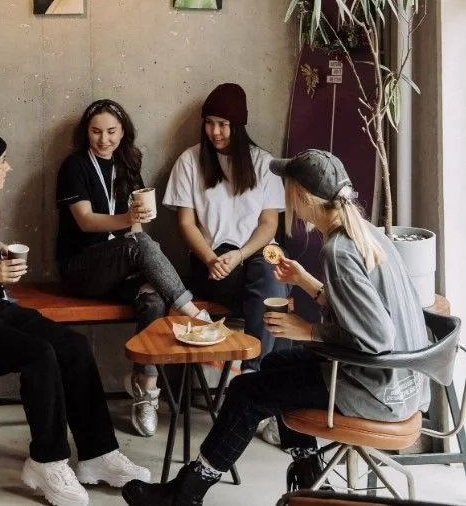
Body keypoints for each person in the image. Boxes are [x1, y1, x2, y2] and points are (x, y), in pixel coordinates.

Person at [122, 148, 431, 506]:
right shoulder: (367, 233)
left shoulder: (339, 251)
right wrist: (305, 282)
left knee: (245, 392)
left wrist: (308, 331)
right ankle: (308, 471)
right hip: (403, 384)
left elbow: (376, 338)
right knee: (273, 364)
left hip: (373, 390)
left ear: (300, 196)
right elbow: (368, 310)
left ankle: (186, 492)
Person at [0, 128, 149, 506]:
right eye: (1, 162)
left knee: (72, 345)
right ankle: (47, 460)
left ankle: (96, 454)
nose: (7, 168)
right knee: (39, 354)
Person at [56, 99, 212, 437]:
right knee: (137, 244)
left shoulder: (128, 165)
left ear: (123, 131)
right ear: (86, 133)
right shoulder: (75, 166)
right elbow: (84, 221)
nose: (104, 139)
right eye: (96, 132)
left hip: (121, 267)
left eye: (111, 131)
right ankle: (192, 313)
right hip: (81, 268)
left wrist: (147, 271)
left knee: (153, 299)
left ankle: (147, 388)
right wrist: (129, 224)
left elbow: (138, 231)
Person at [163, 83, 287, 369]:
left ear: (238, 125)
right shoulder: (189, 161)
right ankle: (258, 380)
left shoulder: (263, 163)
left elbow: (269, 224)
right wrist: (211, 259)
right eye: (209, 123)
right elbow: (186, 223)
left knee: (272, 274)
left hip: (256, 253)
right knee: (273, 297)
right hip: (213, 260)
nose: (214, 131)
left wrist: (241, 255)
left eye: (223, 124)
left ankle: (251, 374)